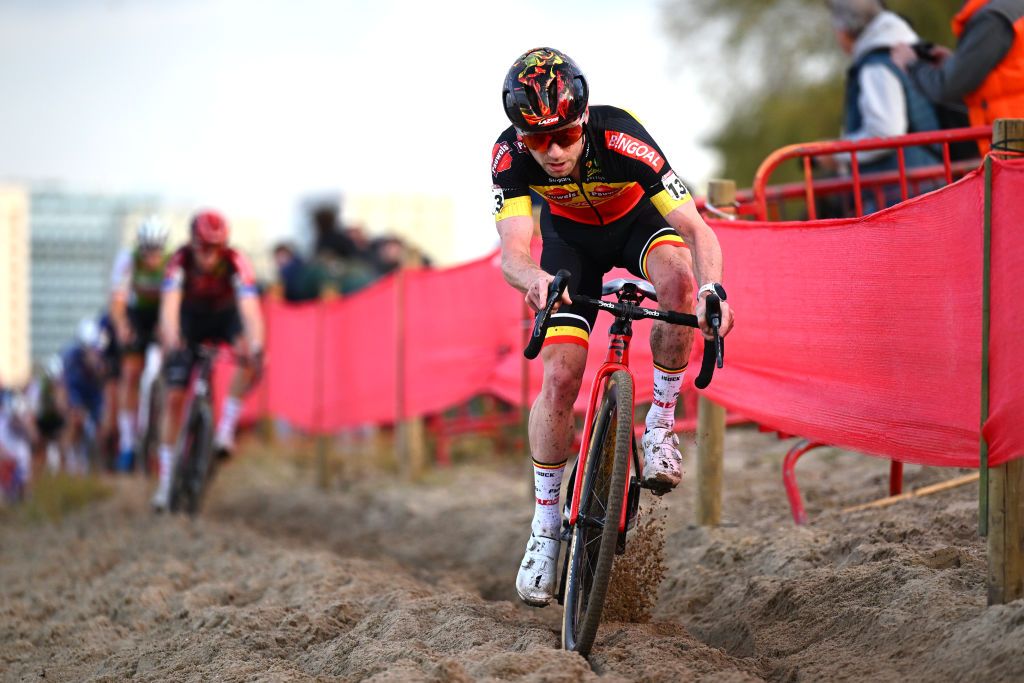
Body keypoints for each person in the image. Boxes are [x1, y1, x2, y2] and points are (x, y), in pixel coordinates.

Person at [491, 47, 734, 606]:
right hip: (569, 246)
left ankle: (661, 424)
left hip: (637, 227)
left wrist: (711, 290)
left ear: (584, 118)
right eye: (535, 139)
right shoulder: (509, 155)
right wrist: (533, 280)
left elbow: (698, 230)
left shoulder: (623, 137)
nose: (551, 151)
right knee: (560, 375)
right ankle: (546, 527)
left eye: (565, 135)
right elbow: (513, 253)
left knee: (675, 278)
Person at [152, 210, 264, 511]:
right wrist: (172, 336)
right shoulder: (179, 262)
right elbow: (169, 307)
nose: (209, 256)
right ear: (192, 242)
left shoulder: (236, 262)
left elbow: (250, 308)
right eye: (203, 247)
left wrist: (256, 344)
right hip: (189, 320)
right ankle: (164, 483)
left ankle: (225, 430)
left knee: (249, 356)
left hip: (224, 317)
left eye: (216, 249)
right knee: (174, 397)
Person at [822, 0, 941, 210]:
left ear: (845, 28)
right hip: (930, 186)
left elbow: (885, 131)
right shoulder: (909, 51)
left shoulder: (876, 64)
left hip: (899, 198)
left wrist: (835, 152)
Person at [891, 0, 1024, 154]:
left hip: (1012, 146)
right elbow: (1006, 72)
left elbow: (947, 87)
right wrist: (955, 64)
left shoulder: (993, 18)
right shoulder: (1011, 9)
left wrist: (912, 64)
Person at [109, 216, 170, 471]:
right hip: (137, 315)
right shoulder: (128, 259)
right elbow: (118, 301)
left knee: (170, 372)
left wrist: (168, 329)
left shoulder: (171, 263)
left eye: (156, 251)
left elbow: (176, 301)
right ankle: (127, 442)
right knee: (131, 373)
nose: (152, 256)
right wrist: (122, 327)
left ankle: (162, 432)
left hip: (163, 312)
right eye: (147, 250)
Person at [60, 318, 108, 474]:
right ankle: (68, 462)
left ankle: (101, 465)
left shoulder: (101, 351)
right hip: (77, 391)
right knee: (76, 421)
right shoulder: (71, 357)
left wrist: (98, 368)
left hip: (94, 393)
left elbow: (103, 378)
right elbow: (66, 386)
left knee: (101, 427)